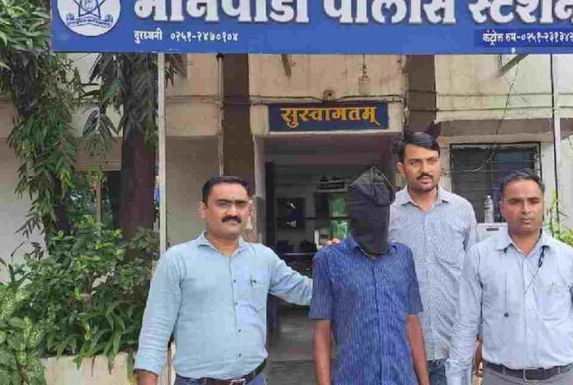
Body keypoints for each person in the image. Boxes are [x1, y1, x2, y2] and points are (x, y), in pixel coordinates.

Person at [445, 169, 573, 385]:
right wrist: (455, 378)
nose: (525, 210)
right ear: (502, 207)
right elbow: (465, 323)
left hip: (560, 378)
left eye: (533, 201)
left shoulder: (568, 259)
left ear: (543, 205)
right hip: (500, 378)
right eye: (515, 202)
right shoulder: (479, 257)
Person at [135, 176, 313, 385]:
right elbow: (155, 331)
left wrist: (342, 260)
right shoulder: (177, 260)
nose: (233, 212)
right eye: (223, 204)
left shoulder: (263, 258)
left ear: (249, 211)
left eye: (240, 204)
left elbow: (306, 292)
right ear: (203, 210)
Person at [311, 167, 430, 385]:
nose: (376, 218)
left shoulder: (403, 257)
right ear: (354, 212)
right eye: (368, 210)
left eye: (381, 210)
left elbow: (412, 322)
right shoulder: (328, 260)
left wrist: (424, 381)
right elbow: (322, 333)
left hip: (402, 378)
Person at [390, 132, 480, 385]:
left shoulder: (462, 210)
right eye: (415, 162)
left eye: (431, 161)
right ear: (401, 168)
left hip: (455, 347)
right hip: (403, 348)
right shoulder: (388, 213)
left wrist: (480, 335)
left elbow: (476, 277)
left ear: (440, 163)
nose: (425, 169)